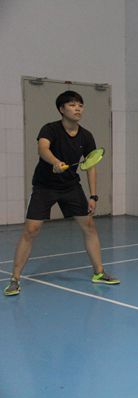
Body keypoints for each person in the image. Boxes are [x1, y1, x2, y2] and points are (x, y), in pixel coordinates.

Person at [3, 91, 119, 296]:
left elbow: (91, 165)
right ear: (61, 109)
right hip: (44, 187)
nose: (78, 109)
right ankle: (14, 279)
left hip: (71, 187)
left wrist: (93, 196)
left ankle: (99, 273)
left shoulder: (86, 136)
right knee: (31, 230)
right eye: (72, 105)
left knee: (89, 227)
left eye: (80, 105)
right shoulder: (50, 129)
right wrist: (55, 162)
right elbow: (42, 148)